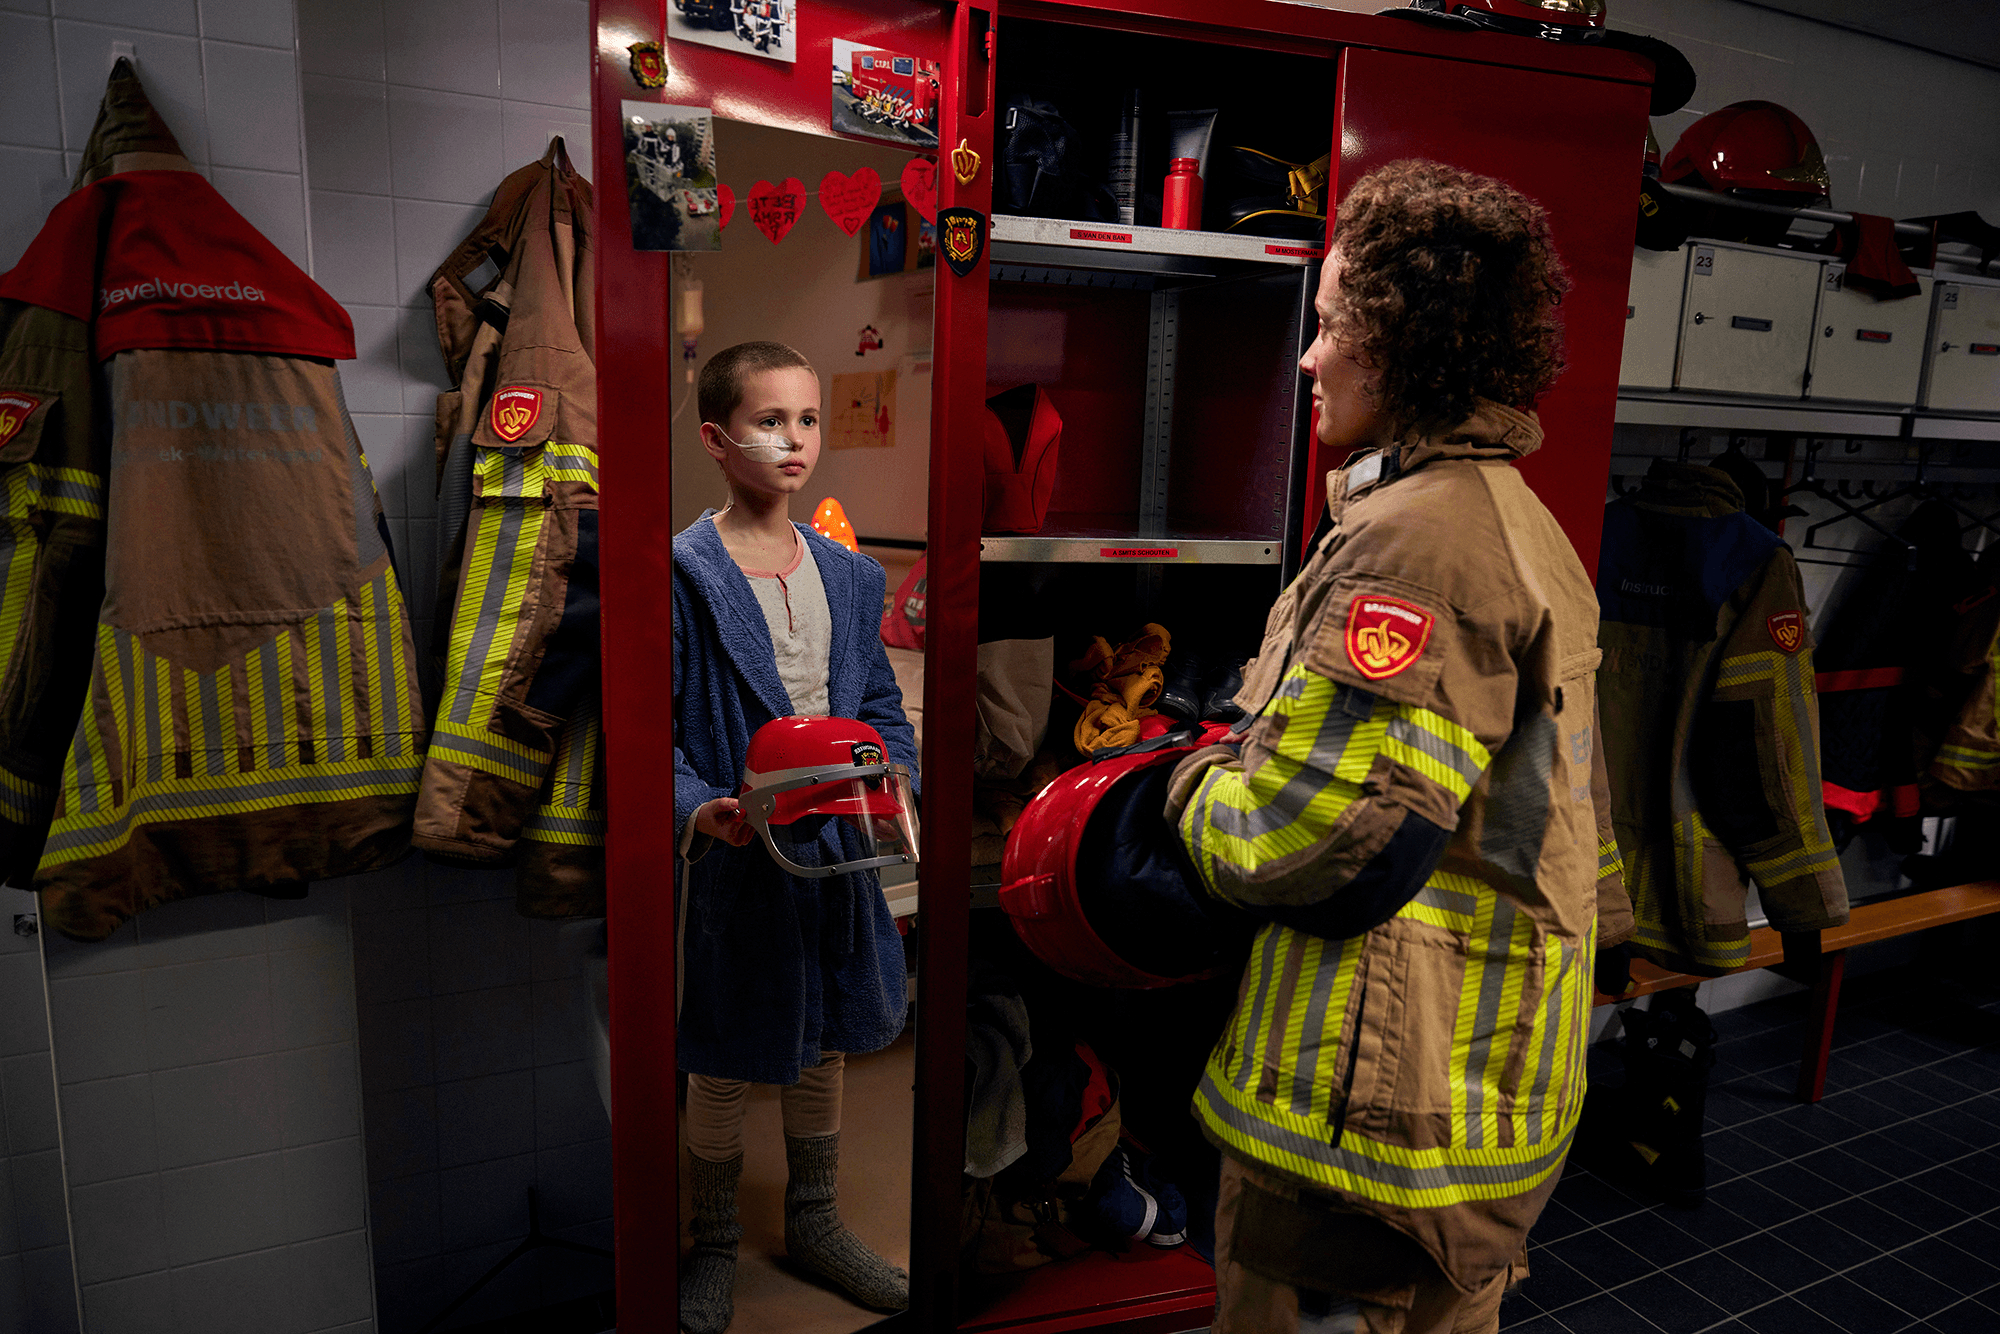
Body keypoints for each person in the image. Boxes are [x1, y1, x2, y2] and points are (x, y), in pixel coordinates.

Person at [1165, 160, 1633, 1333]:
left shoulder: (1416, 544)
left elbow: (1301, 838)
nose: (1308, 357)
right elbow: (1576, 816)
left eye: (1330, 324)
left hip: (1366, 1109)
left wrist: (1178, 784)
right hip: (1474, 1076)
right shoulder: (1513, 519)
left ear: (1398, 343)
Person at [671, 341, 917, 1332]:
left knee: (831, 1040)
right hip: (739, 851)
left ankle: (815, 1220)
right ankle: (713, 1239)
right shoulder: (682, 572)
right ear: (716, 438)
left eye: (807, 419)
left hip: (838, 847)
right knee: (724, 1050)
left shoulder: (851, 576)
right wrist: (701, 807)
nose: (794, 439)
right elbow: (654, 731)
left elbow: (879, 707)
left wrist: (890, 781)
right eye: (769, 420)